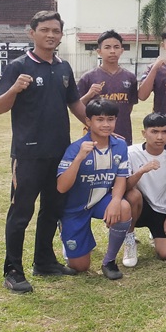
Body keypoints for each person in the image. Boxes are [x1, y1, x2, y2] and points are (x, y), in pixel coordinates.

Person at [0, 10, 86, 293]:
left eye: (56, 31)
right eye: (45, 30)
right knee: (21, 212)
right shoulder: (18, 66)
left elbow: (74, 103)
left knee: (52, 208)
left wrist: (96, 127)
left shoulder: (63, 67)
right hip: (28, 154)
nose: (51, 35)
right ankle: (13, 270)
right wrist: (15, 89)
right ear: (31, 32)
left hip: (60, 152)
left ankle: (44, 262)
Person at [56, 99, 131, 280]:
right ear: (88, 121)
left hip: (100, 201)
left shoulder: (120, 145)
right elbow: (61, 187)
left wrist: (115, 200)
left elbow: (121, 177)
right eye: (100, 119)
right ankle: (65, 230)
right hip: (74, 209)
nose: (106, 124)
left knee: (123, 207)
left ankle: (109, 261)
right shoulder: (76, 148)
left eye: (110, 119)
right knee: (80, 267)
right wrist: (79, 158)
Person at [123, 113, 166, 266]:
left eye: (164, 132)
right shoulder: (131, 152)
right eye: (154, 132)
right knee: (133, 195)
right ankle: (129, 240)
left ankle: (158, 232)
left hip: (162, 210)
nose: (160, 137)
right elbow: (125, 187)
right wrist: (141, 171)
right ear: (144, 133)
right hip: (140, 207)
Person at [78, 30, 138, 145]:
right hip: (96, 136)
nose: (112, 51)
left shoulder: (130, 77)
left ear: (122, 50)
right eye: (107, 47)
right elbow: (77, 106)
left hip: (123, 132)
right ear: (99, 51)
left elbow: (129, 107)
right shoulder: (88, 77)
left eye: (116, 47)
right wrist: (89, 95)